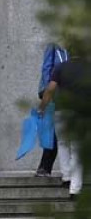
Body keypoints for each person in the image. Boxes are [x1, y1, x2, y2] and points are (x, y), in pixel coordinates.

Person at [38, 54, 89, 199]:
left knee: (62, 144)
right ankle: (75, 189)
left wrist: (42, 108)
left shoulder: (60, 67)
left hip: (61, 112)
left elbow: (50, 89)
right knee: (77, 150)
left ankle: (66, 177)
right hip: (79, 113)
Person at [35, 43, 69, 177]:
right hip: (56, 95)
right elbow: (46, 69)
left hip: (73, 94)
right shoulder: (55, 47)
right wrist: (47, 93)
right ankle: (45, 166)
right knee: (55, 132)